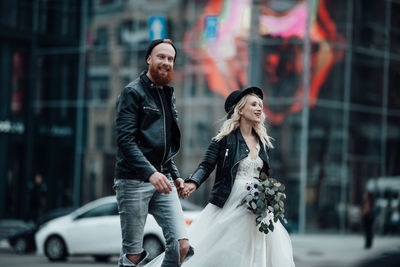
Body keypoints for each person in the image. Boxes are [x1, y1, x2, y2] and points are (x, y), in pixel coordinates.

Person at [146, 87, 295, 267]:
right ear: (240, 109)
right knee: (224, 249)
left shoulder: (263, 141)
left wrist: (269, 195)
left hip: (258, 206)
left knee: (261, 248)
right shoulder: (223, 138)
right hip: (230, 200)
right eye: (254, 104)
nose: (259, 109)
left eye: (261, 106)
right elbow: (206, 165)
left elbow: (264, 175)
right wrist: (192, 183)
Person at [114, 39, 193, 267]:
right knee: (133, 255)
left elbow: (163, 145)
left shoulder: (167, 95)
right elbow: (125, 141)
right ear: (149, 59)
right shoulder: (132, 93)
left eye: (170, 59)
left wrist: (175, 174)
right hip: (133, 180)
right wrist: (151, 173)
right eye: (161, 57)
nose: (166, 62)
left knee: (181, 245)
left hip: (163, 179)